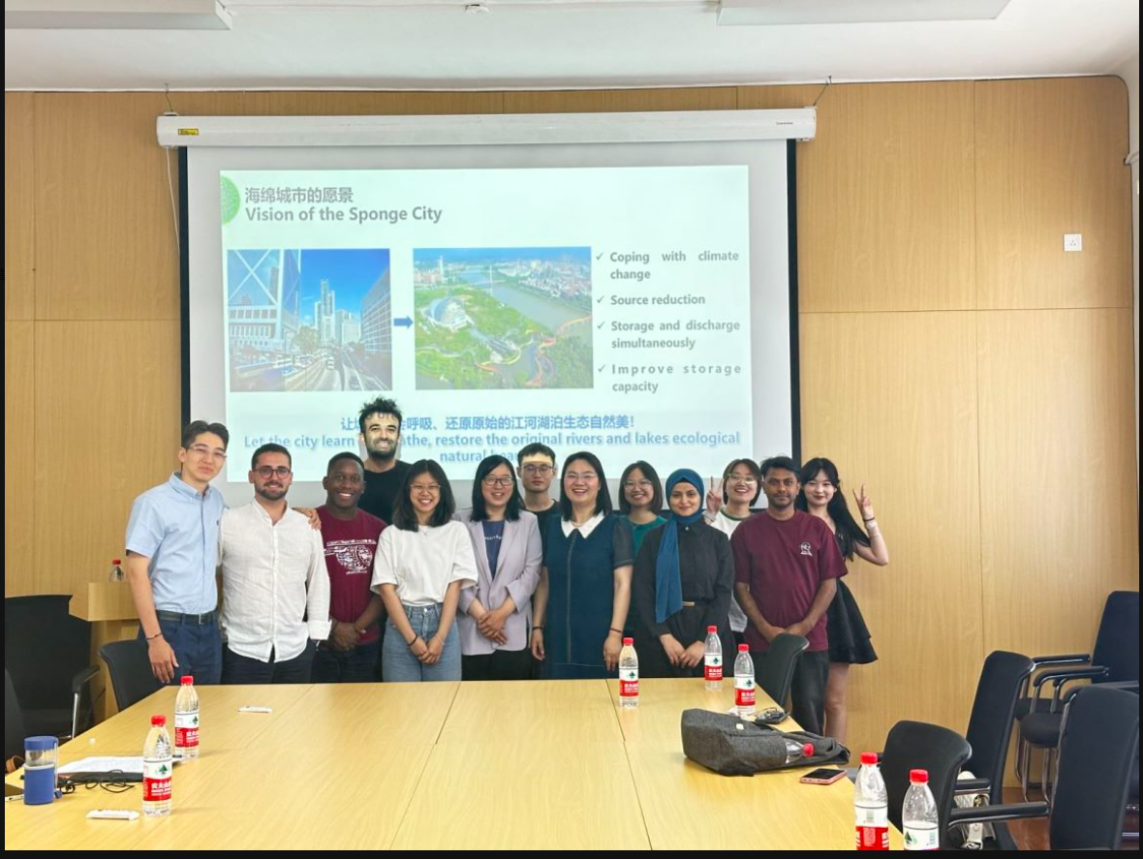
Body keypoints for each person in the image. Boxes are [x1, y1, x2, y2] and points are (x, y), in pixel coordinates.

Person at [732, 456, 845, 735]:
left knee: (810, 719)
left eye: (788, 482)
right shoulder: (746, 531)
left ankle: (810, 763)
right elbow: (740, 587)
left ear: (798, 487)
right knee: (760, 720)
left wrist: (804, 626)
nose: (781, 488)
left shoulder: (817, 529)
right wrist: (766, 629)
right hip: (762, 642)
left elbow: (829, 584)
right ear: (763, 486)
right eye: (774, 482)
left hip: (810, 641)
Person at [124, 420, 229, 685]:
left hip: (209, 629)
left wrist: (298, 512)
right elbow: (136, 573)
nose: (209, 459)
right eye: (201, 450)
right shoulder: (153, 502)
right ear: (183, 454)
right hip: (169, 628)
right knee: (166, 708)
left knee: (209, 707)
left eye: (218, 453)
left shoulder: (216, 500)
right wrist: (155, 639)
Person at [796, 457, 890, 743]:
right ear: (802, 487)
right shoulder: (792, 521)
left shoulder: (841, 525)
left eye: (826, 484)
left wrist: (868, 517)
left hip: (838, 612)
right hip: (798, 606)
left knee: (834, 701)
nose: (819, 490)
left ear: (835, 489)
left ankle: (834, 761)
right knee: (802, 701)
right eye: (813, 483)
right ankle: (805, 760)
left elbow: (881, 557)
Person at [219, 444, 330, 684]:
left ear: (290, 477)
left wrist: (315, 638)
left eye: (282, 471)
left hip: (296, 650)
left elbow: (318, 581)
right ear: (252, 476)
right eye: (265, 470)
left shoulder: (306, 526)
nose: (274, 477)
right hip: (241, 650)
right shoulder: (228, 522)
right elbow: (206, 574)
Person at [531, 452, 634, 679]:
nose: (579, 482)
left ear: (600, 483)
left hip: (601, 639)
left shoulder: (616, 526)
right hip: (556, 638)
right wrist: (537, 627)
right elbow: (544, 581)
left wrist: (615, 634)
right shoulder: (553, 525)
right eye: (572, 476)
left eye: (588, 476)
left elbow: (623, 585)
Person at [372, 460, 476, 682]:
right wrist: (412, 639)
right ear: (407, 491)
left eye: (432, 486)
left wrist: (440, 637)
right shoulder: (391, 534)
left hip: (444, 624)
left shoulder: (457, 531)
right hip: (401, 626)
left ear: (442, 491)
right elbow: (387, 591)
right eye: (418, 486)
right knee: (402, 701)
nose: (425, 493)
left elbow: (455, 586)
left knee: (444, 700)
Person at [632, 469, 734, 678]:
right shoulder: (654, 539)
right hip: (661, 634)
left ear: (700, 496)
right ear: (668, 498)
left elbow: (723, 593)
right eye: (676, 495)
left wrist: (703, 641)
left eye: (691, 494)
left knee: (712, 697)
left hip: (709, 632)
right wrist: (665, 636)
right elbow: (643, 591)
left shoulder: (718, 540)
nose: (684, 501)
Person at [456, 455, 542, 681]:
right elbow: (454, 574)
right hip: (471, 629)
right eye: (491, 479)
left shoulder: (529, 521)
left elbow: (532, 572)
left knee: (514, 699)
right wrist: (483, 618)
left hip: (512, 629)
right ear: (479, 483)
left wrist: (501, 614)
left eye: (505, 480)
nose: (498, 486)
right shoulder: (459, 521)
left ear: (514, 485)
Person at [312, 452, 388, 684]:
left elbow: (384, 588)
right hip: (320, 643)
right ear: (326, 482)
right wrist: (334, 627)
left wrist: (355, 629)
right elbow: (298, 587)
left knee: (363, 707)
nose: (346, 484)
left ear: (362, 487)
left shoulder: (379, 528)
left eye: (354, 479)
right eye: (339, 477)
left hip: (365, 642)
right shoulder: (308, 525)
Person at [704, 457, 764, 648]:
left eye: (749, 478)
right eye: (735, 477)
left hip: (757, 619)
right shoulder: (711, 519)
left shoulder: (764, 525)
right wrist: (709, 514)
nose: (741, 483)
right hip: (717, 618)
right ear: (725, 483)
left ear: (758, 486)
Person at [357, 397, 411, 525]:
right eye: (375, 429)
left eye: (391, 429)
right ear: (362, 437)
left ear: (399, 437)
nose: (383, 436)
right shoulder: (350, 478)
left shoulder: (414, 475)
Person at [617, 461, 667, 556]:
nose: (636, 489)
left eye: (644, 482)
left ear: (654, 486)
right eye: (630, 484)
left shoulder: (667, 528)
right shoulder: (614, 526)